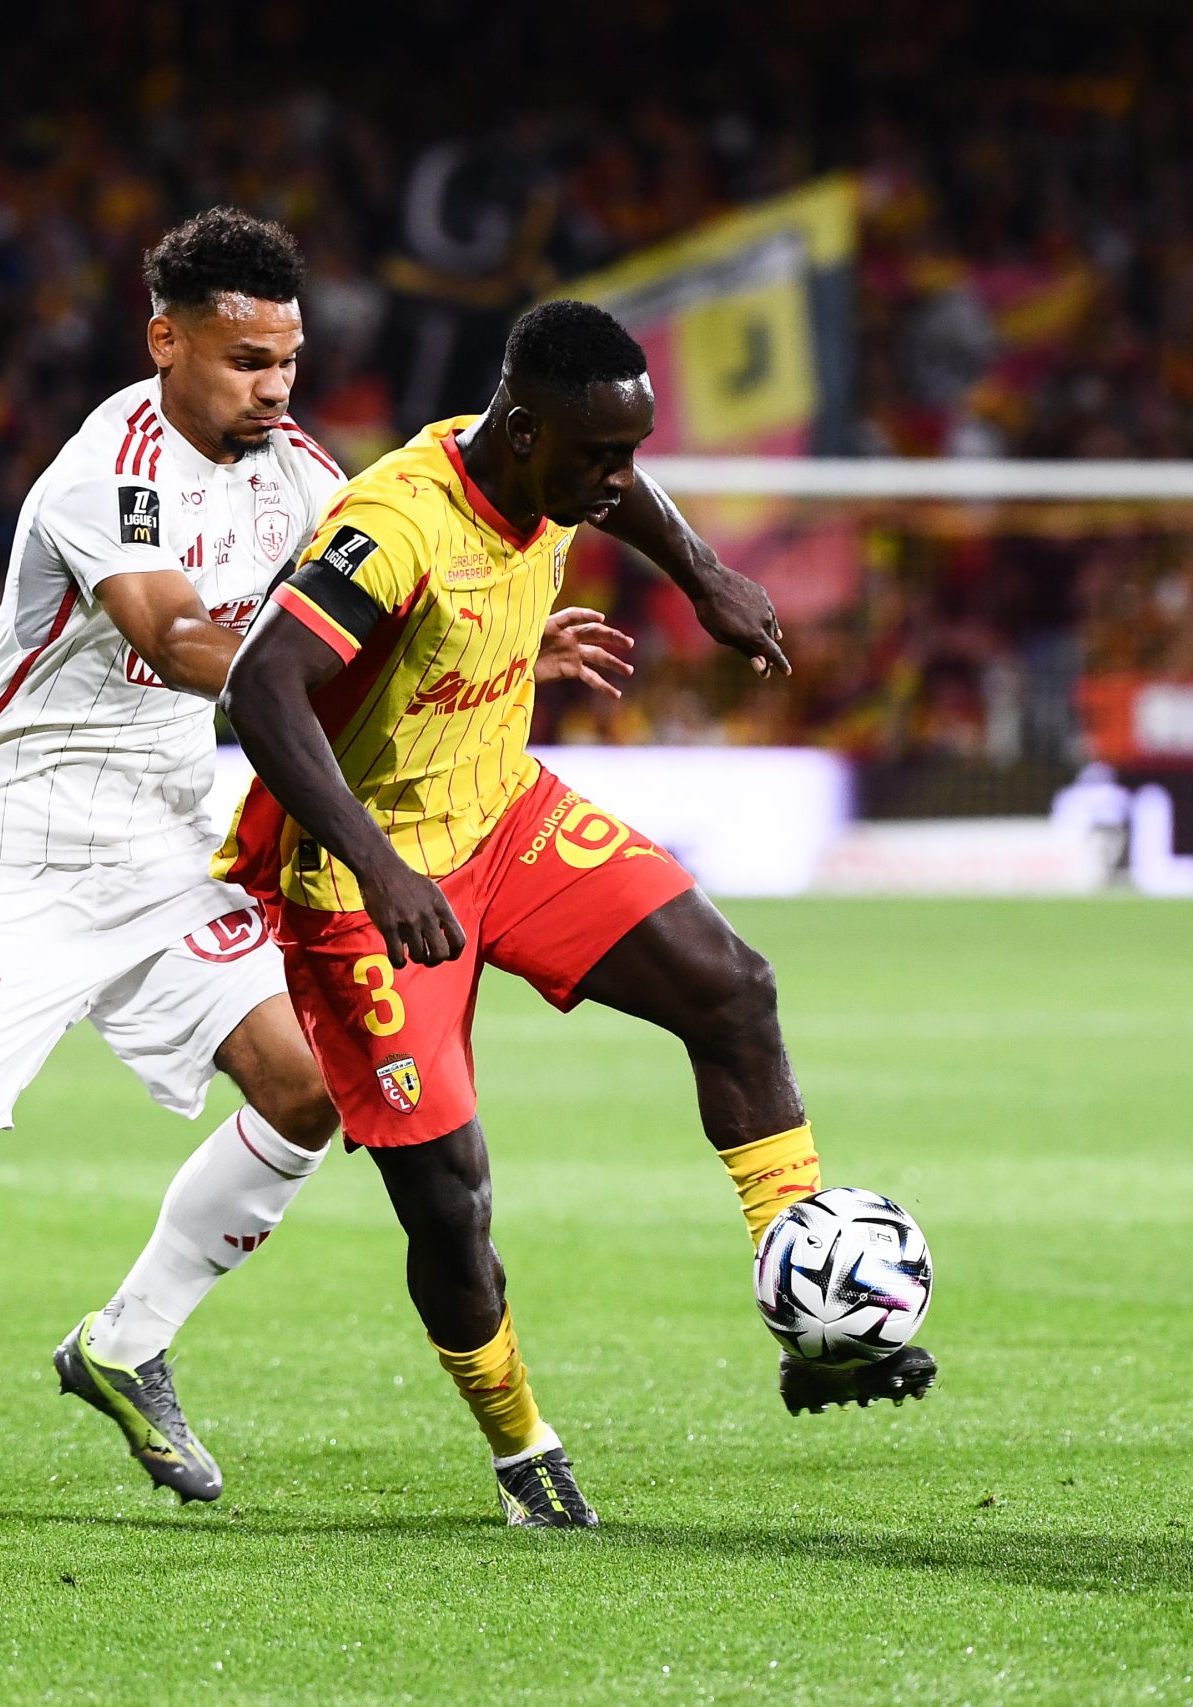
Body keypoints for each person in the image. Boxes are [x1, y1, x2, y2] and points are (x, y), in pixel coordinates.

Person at [0, 212, 630, 1512]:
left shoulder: (303, 474)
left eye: (289, 357)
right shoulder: (105, 471)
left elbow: (405, 598)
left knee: (313, 1091)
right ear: (165, 340)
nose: (275, 385)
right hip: (20, 858)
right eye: (247, 358)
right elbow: (185, 636)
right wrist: (310, 652)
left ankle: (125, 1341)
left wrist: (500, 648)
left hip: (184, 850)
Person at [213, 299, 938, 1529]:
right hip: (366, 886)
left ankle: (808, 1306)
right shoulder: (392, 524)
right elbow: (259, 686)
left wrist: (703, 571)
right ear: (521, 426)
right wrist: (385, 869)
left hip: (506, 818)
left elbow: (627, 500)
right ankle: (520, 1448)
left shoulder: (560, 477)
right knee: (450, 1197)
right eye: (598, 456)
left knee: (732, 987)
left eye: (631, 451)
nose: (618, 481)